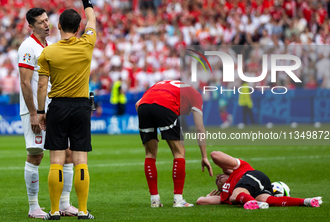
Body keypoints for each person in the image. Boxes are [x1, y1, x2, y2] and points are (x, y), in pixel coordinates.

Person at [37, 0, 96, 220]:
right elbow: (92, 17)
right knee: (80, 160)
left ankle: (53, 211)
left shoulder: (48, 53)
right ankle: (82, 210)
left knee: (56, 161)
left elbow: (42, 86)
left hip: (58, 106)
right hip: (82, 106)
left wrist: (41, 111)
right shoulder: (87, 43)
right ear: (79, 27)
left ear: (58, 26)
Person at [17, 8, 78, 218]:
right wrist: (34, 113)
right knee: (36, 155)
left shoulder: (49, 47)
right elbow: (25, 82)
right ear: (31, 26)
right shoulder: (27, 47)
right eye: (41, 22)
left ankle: (65, 204)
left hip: (53, 110)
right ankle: (33, 207)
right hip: (34, 110)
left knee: (67, 153)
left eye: (47, 20)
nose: (46, 24)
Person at [135, 80, 213, 208]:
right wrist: (204, 156)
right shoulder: (196, 95)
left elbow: (138, 104)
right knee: (179, 152)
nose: (187, 113)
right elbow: (199, 128)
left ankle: (155, 200)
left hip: (144, 106)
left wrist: (146, 133)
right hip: (166, 105)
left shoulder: (163, 84)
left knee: (149, 153)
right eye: (188, 111)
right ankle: (178, 200)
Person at [196, 151, 323, 209]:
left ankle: (255, 204)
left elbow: (215, 155)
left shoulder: (240, 168)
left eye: (220, 175)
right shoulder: (224, 196)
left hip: (254, 176)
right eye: (217, 181)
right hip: (260, 187)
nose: (218, 177)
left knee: (234, 197)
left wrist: (226, 168)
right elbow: (200, 201)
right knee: (269, 200)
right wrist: (208, 196)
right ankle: (307, 201)